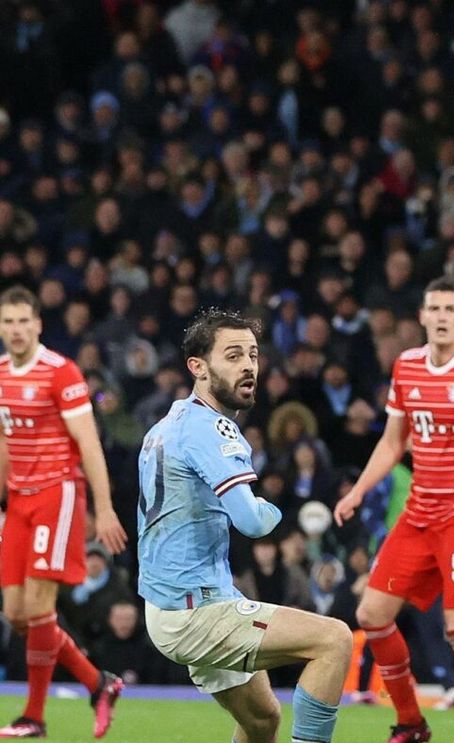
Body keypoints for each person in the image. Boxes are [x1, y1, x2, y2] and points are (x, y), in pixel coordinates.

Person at [138, 309, 352, 743]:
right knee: (334, 640)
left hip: (168, 605)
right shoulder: (213, 428)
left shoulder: (166, 425)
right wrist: (280, 508)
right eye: (233, 356)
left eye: (252, 355)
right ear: (197, 367)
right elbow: (252, 522)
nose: (248, 366)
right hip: (195, 610)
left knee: (262, 721)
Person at [333, 276, 454, 743]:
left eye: (450, 309)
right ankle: (411, 722)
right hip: (419, 513)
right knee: (372, 615)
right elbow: (393, 440)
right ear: (421, 317)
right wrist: (358, 490)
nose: (442, 317)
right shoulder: (406, 367)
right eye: (434, 308)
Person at [0, 286, 128, 739]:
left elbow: (89, 443)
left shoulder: (61, 372)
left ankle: (33, 716)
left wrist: (105, 507)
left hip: (58, 493)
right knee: (17, 613)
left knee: (38, 606)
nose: (15, 329)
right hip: (18, 500)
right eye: (7, 321)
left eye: (22, 320)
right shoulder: (0, 374)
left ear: (37, 324)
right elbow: (4, 440)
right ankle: (99, 682)